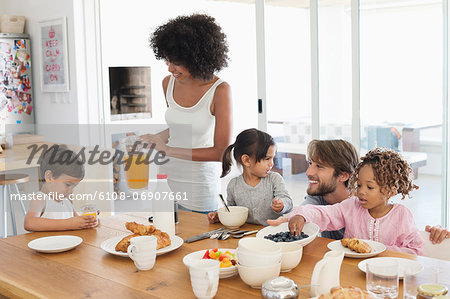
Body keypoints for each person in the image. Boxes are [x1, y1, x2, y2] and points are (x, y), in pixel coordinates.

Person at [141, 13, 231, 213]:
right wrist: (155, 138)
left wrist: (170, 150)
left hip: (199, 186)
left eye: (176, 62)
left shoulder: (219, 90)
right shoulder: (168, 83)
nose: (170, 68)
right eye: (167, 60)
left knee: (196, 243)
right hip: (166, 179)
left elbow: (221, 152)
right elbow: (179, 127)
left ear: (196, 58)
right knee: (165, 238)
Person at [288, 148, 424, 255]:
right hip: (353, 270)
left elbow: (416, 250)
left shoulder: (402, 215)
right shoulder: (351, 206)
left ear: (391, 191)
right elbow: (325, 214)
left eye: (370, 187)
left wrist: (380, 250)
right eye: (359, 185)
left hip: (386, 275)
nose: (361, 192)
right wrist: (301, 215)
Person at [268, 139, 359, 240]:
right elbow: (305, 211)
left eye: (319, 166)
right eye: (310, 163)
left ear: (343, 175)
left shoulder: (363, 205)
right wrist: (293, 218)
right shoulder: (319, 197)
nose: (308, 172)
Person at [207, 129, 293, 225]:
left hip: (271, 233)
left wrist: (282, 205)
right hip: (245, 234)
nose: (271, 164)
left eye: (273, 158)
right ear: (247, 160)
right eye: (267, 159)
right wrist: (220, 216)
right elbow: (231, 210)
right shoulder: (233, 185)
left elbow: (288, 202)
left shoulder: (274, 179)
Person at [24, 146, 98, 231]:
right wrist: (69, 223)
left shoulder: (66, 202)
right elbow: (29, 223)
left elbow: (77, 222)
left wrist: (89, 221)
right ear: (49, 177)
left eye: (74, 186)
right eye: (67, 184)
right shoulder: (41, 199)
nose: (71, 191)